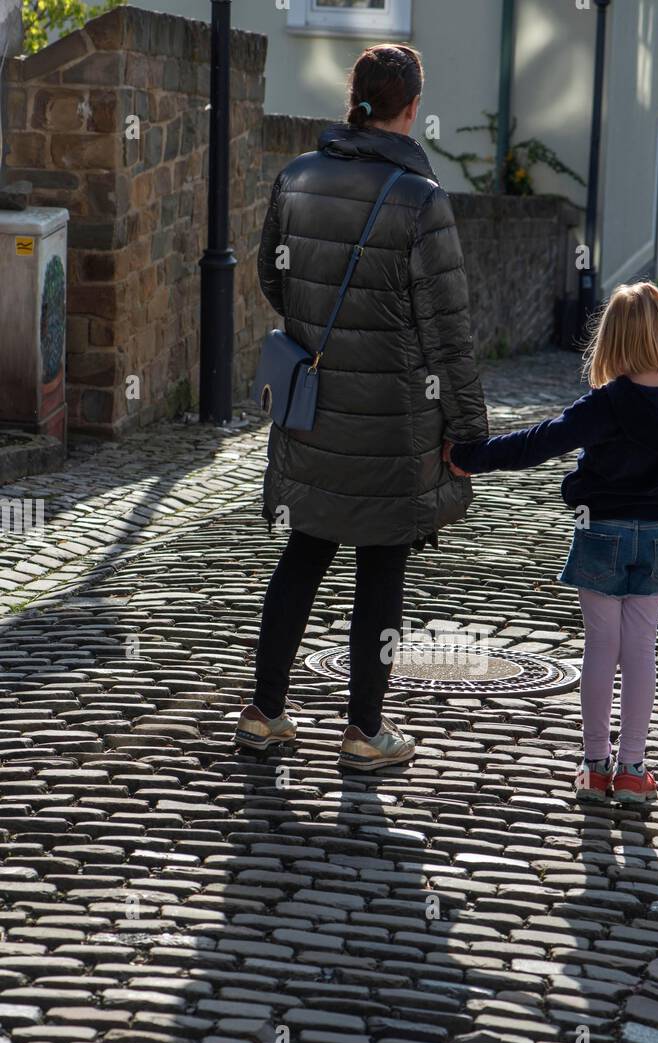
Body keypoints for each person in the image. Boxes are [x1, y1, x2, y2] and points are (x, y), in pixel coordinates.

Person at [236, 44, 487, 770]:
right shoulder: (420, 200)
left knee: (304, 548)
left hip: (311, 404)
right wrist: (467, 431)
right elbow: (449, 331)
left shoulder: (297, 177)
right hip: (394, 417)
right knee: (380, 564)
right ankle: (363, 730)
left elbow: (273, 283)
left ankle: (265, 712)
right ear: (411, 107)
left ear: (357, 100)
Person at [445, 281, 658, 804]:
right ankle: (633, 768)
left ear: (611, 339)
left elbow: (538, 442)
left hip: (601, 531)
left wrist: (469, 456)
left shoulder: (606, 403)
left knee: (600, 650)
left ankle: (593, 766)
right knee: (641, 652)